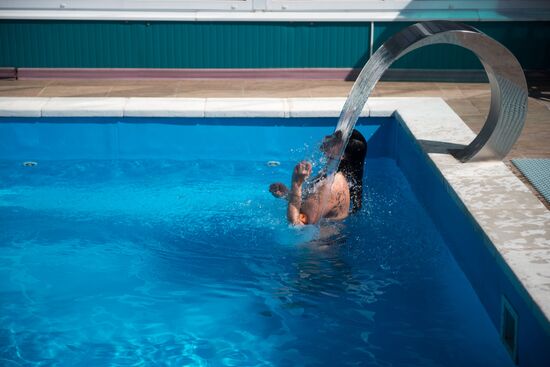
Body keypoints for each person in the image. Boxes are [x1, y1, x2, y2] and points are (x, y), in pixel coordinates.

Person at [269, 129, 367, 225]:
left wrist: (296, 183)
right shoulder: (329, 174)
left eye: (335, 139)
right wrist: (287, 194)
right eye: (333, 134)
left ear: (342, 155)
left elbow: (297, 226)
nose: (327, 137)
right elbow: (307, 204)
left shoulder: (331, 186)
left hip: (317, 241)